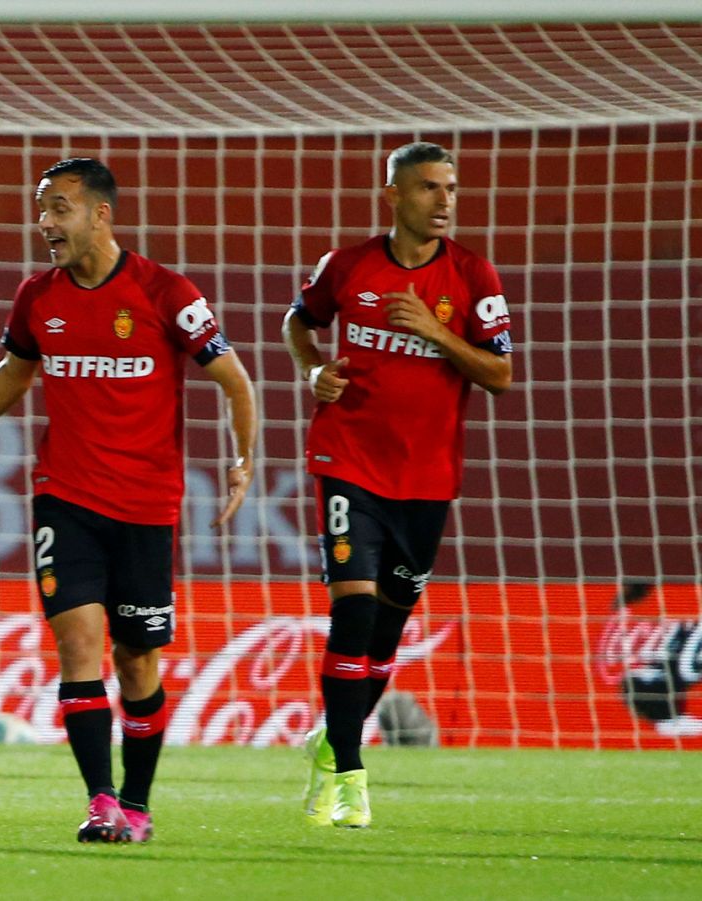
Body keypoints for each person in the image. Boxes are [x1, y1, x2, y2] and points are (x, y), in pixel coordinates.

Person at [0, 158, 257, 844]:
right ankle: (100, 799)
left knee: (136, 659)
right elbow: (15, 373)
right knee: (77, 643)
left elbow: (234, 380)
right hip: (65, 497)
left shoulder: (166, 292)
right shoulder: (38, 296)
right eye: (42, 209)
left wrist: (244, 458)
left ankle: (137, 801)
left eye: (60, 208)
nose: (46, 222)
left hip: (146, 505)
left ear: (101, 214)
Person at [285, 141, 513, 829]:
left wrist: (437, 331)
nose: (443, 201)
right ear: (392, 196)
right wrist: (311, 369)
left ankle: (334, 737)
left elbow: (500, 374)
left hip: (427, 477)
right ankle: (348, 778)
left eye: (450, 188)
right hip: (349, 461)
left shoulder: (474, 276)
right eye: (427, 188)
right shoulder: (349, 265)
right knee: (352, 614)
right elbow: (301, 320)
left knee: (385, 634)